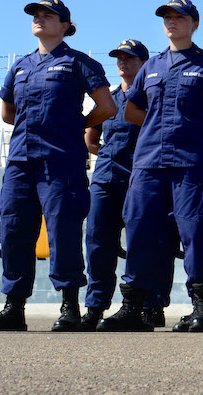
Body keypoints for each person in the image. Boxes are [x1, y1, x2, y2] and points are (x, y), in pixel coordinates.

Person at [98, 0, 203, 333]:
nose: (172, 22)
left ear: (195, 24)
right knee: (140, 229)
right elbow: (132, 110)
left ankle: (202, 308)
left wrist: (197, 127)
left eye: (180, 17)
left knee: (195, 232)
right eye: (168, 17)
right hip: (148, 162)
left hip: (191, 162)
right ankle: (134, 307)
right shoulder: (152, 65)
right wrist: (158, 127)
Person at [0, 0, 115, 332]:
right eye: (36, 15)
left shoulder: (78, 63)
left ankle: (69, 307)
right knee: (15, 231)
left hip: (60, 161)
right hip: (20, 161)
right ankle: (14, 306)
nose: (39, 19)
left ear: (65, 26)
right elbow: (7, 111)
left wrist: (76, 127)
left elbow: (106, 107)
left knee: (63, 231)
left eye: (48, 15)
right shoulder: (21, 66)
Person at [81, 39, 149, 330]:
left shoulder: (150, 97)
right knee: (98, 241)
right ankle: (95, 307)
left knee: (140, 243)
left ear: (144, 64)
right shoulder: (108, 99)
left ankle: (142, 306)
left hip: (139, 178)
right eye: (119, 58)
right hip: (106, 177)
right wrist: (108, 155)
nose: (123, 62)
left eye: (130, 58)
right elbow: (91, 138)